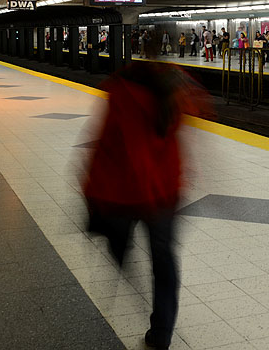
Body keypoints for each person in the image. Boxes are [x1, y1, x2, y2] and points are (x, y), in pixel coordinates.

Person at [82, 35, 210, 350]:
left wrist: (90, 188)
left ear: (139, 51)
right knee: (164, 262)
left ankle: (122, 262)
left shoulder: (121, 90)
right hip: (164, 193)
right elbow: (198, 118)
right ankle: (162, 333)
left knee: (118, 242)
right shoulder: (175, 90)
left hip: (124, 192)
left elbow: (104, 144)